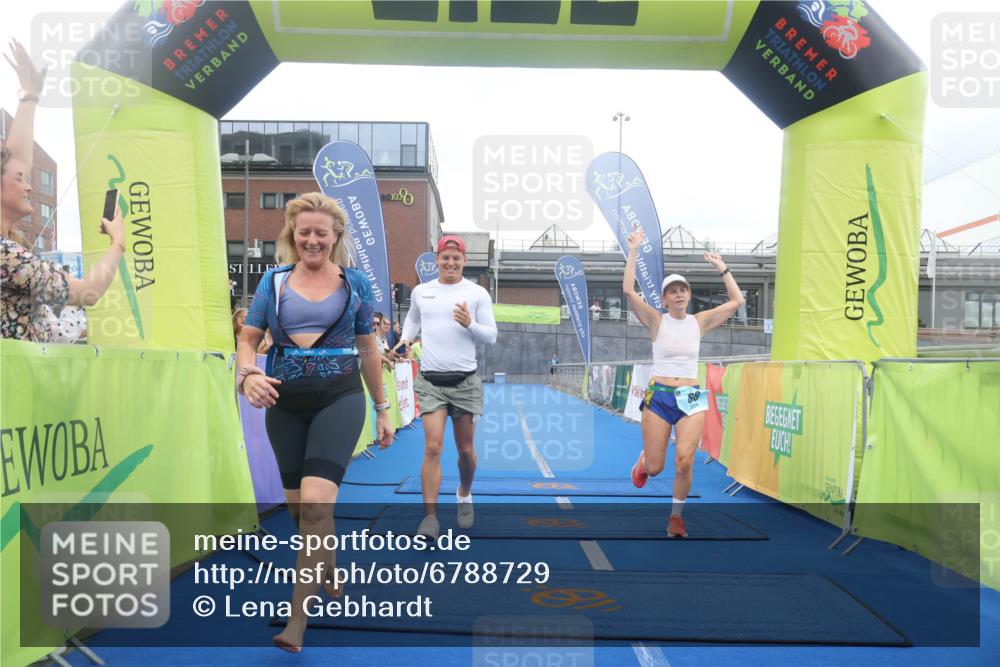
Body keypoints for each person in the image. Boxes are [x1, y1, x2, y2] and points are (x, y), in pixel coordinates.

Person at [236, 192, 393, 652]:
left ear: (335, 237)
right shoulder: (274, 281)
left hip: (339, 398)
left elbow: (368, 349)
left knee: (317, 505)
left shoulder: (356, 284)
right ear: (292, 235)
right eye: (303, 232)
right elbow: (249, 339)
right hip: (284, 404)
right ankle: (328, 560)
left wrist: (383, 410)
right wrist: (247, 376)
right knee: (299, 510)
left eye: (320, 233)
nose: (311, 240)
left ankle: (297, 620)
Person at [1, 40, 125, 342]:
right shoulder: (7, 256)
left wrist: (30, 96)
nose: (29, 184)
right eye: (21, 178)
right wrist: (118, 242)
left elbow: (16, 157)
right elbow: (88, 293)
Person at [623, 228, 744, 538]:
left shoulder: (699, 321)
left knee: (686, 460)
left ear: (689, 295)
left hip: (690, 395)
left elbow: (737, 300)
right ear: (664, 299)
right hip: (660, 394)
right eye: (672, 291)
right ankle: (643, 462)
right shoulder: (655, 320)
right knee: (655, 468)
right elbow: (628, 292)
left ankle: (676, 517)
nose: (678, 294)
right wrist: (634, 250)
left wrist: (723, 268)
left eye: (683, 290)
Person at [399, 235, 497, 538]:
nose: (450, 262)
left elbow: (491, 336)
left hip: (465, 382)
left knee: (466, 452)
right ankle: (430, 517)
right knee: (432, 446)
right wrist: (404, 339)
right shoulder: (421, 292)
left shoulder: (477, 293)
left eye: (456, 258)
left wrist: (470, 323)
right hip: (430, 382)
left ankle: (464, 493)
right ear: (436, 259)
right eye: (445, 257)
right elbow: (412, 321)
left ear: (464, 261)